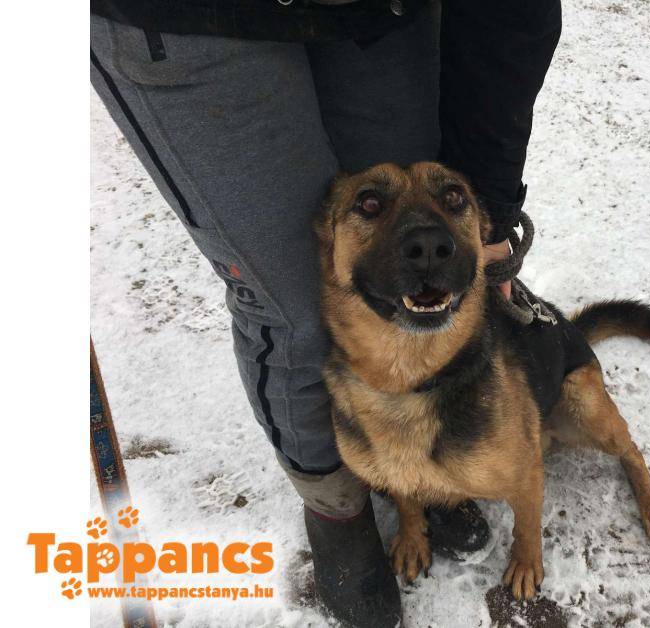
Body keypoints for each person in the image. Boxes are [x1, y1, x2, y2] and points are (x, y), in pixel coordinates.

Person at [89, 0, 561, 624]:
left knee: (415, 228)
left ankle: (434, 479)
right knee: (294, 312)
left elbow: (513, 19)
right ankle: (337, 504)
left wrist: (492, 212)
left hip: (377, 15)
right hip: (187, 21)